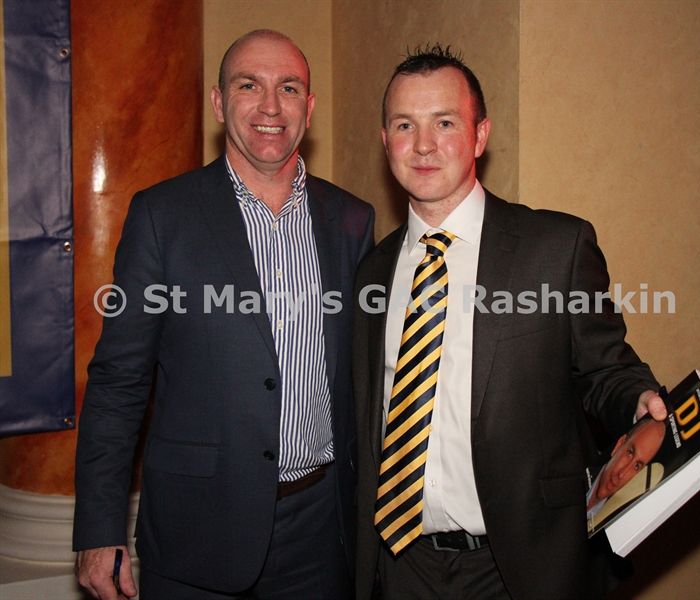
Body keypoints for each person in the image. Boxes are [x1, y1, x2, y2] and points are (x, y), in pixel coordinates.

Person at [353, 45, 667, 599]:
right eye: (405, 125)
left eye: (444, 123)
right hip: (401, 568)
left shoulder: (556, 248)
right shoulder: (372, 271)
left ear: (479, 135)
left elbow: (605, 369)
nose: (423, 144)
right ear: (385, 141)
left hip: (519, 568)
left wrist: (638, 399)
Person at [74, 29, 374, 600]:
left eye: (289, 88)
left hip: (320, 532)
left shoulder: (352, 220)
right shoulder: (162, 216)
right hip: (196, 530)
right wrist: (99, 526)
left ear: (309, 108)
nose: (270, 106)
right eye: (248, 86)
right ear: (218, 102)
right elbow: (118, 380)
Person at [586, 417, 667, 532]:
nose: (622, 474)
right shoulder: (575, 462)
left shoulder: (615, 526)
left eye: (637, 466)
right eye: (630, 452)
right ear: (619, 445)